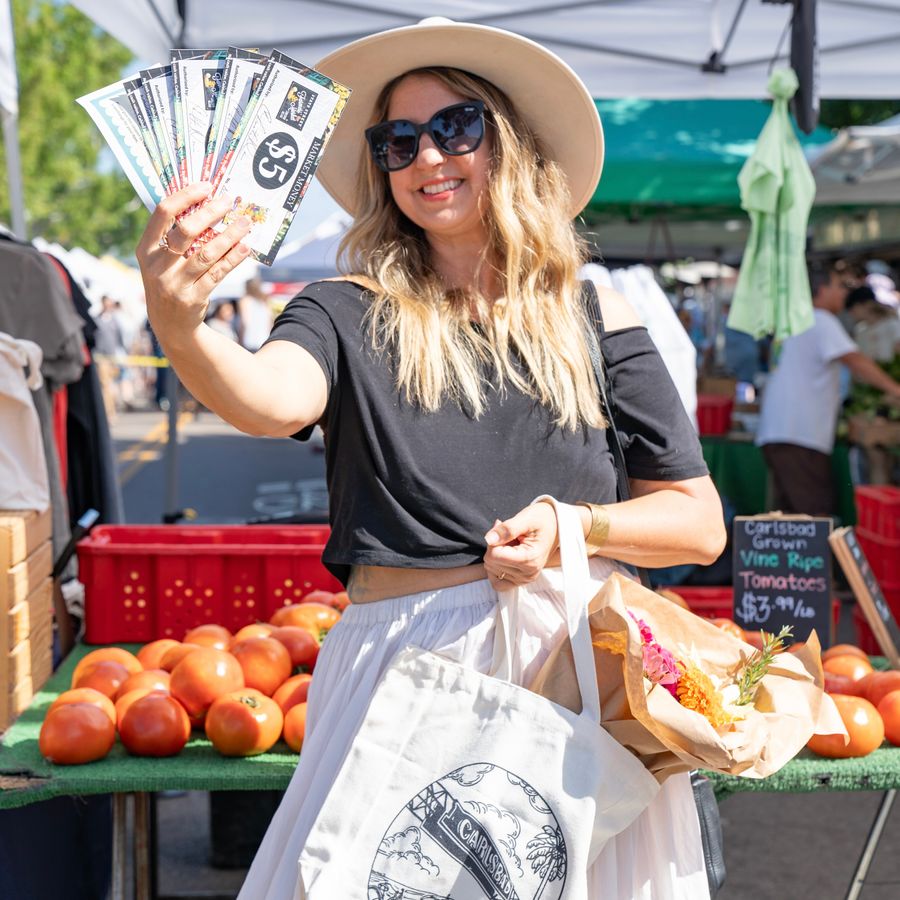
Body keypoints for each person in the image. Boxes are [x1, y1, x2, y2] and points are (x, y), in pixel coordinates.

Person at [136, 20, 727, 899]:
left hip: (578, 674)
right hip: (403, 671)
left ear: (509, 144)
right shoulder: (342, 309)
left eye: (456, 127)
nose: (426, 158)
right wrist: (178, 321)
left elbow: (697, 521)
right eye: (397, 141)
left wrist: (577, 524)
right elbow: (267, 400)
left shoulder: (599, 317)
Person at [756, 261, 900, 516]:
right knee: (814, 517)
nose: (846, 292)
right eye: (840, 285)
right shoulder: (820, 319)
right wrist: (896, 390)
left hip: (784, 431)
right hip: (798, 434)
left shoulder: (796, 319)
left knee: (791, 519)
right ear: (821, 289)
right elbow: (855, 361)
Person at [845, 285, 900, 363]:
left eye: (853, 308)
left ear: (866, 304)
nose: (851, 313)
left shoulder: (893, 325)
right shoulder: (860, 331)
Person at [237, 276, 274, 352]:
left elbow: (244, 322)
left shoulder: (245, 300)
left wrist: (240, 340)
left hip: (249, 340)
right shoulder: (265, 300)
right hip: (264, 340)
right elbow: (270, 322)